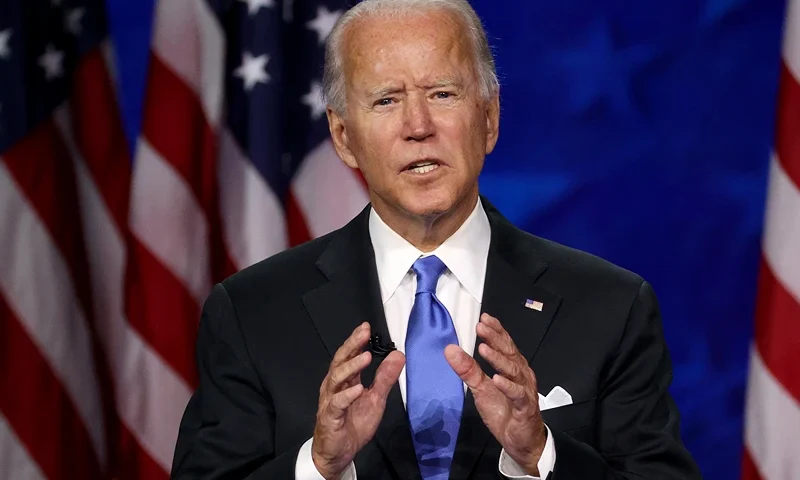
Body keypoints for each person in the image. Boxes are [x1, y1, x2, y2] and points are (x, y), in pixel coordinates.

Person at [171, 0, 702, 478]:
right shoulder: (251, 313)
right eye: (386, 101)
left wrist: (543, 453)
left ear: (489, 118)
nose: (418, 125)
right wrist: (318, 466)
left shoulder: (609, 307)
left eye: (442, 93)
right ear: (342, 136)